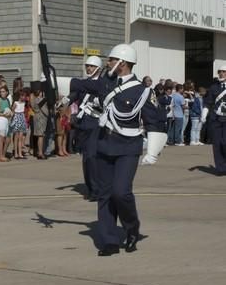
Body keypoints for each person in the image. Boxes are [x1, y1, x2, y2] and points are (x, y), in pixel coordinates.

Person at [70, 43, 167, 256]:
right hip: (105, 145)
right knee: (105, 194)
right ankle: (109, 241)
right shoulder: (105, 83)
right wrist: (49, 82)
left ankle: (132, 227)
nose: (108, 63)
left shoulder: (143, 90)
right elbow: (81, 85)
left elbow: (155, 121)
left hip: (128, 147)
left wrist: (152, 151)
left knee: (121, 192)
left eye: (112, 60)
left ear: (122, 63)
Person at [70, 55, 103, 201]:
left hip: (95, 123)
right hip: (82, 123)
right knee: (85, 158)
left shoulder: (103, 83)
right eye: (87, 66)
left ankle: (96, 190)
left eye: (91, 66)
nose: (88, 69)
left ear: (98, 68)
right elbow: (74, 95)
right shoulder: (84, 83)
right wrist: (63, 102)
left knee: (92, 157)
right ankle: (90, 188)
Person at [201, 64, 226, 175]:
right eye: (219, 71)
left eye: (223, 71)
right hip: (216, 119)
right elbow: (208, 102)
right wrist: (204, 113)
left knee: (225, 143)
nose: (221, 73)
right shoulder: (213, 87)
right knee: (217, 144)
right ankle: (221, 169)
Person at [0, 85, 12, 161]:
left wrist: (9, 113)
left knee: (8, 139)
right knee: (1, 139)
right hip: (0, 120)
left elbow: (9, 109)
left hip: (6, 120)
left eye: (3, 91)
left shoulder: (7, 100)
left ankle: (3, 154)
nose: (2, 93)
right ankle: (0, 156)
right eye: (1, 92)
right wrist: (3, 114)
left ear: (7, 92)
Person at [30, 87, 48, 160]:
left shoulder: (34, 99)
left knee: (38, 135)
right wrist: (48, 115)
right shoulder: (40, 99)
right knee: (41, 136)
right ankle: (40, 153)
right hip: (41, 117)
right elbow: (45, 110)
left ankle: (38, 152)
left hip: (36, 117)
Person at [10, 90, 28, 160]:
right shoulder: (15, 103)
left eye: (24, 96)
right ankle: (16, 153)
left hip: (22, 118)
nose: (24, 97)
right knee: (16, 137)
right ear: (20, 96)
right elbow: (12, 111)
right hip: (16, 118)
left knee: (20, 137)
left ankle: (20, 153)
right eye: (23, 96)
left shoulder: (24, 103)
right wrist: (12, 120)